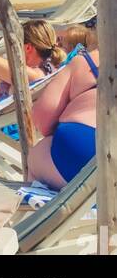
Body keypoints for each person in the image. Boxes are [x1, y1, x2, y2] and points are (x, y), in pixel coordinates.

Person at [28, 24, 98, 189]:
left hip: (83, 150)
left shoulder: (86, 62)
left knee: (39, 152)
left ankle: (35, 212)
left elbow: (42, 119)